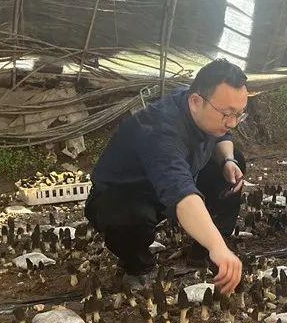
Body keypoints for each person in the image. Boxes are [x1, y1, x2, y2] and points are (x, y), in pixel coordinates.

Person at [85, 59, 248, 294]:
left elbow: (221, 137)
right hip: (127, 194)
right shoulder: (161, 131)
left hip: (174, 181)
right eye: (227, 114)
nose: (232, 123)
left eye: (239, 114)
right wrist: (219, 247)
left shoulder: (203, 107)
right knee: (127, 216)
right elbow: (182, 193)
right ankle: (138, 266)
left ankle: (205, 251)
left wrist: (228, 160)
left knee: (233, 164)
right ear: (195, 102)